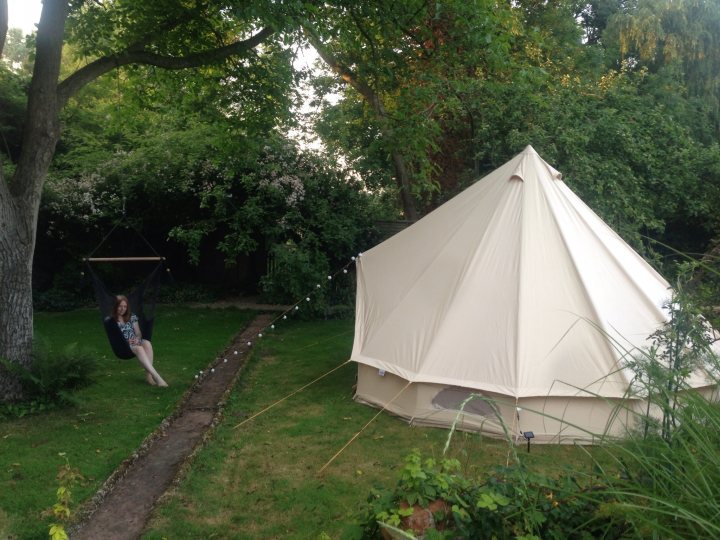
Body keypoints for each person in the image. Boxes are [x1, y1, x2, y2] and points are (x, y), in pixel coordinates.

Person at [113, 295, 168, 387]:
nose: (123, 309)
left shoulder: (131, 316)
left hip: (135, 342)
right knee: (139, 349)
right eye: (120, 306)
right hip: (123, 346)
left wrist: (137, 338)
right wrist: (127, 342)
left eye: (125, 306)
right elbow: (115, 339)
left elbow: (138, 332)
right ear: (115, 306)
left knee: (147, 343)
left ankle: (149, 377)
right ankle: (157, 378)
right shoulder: (111, 321)